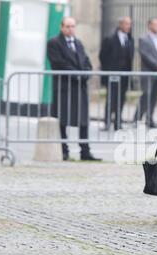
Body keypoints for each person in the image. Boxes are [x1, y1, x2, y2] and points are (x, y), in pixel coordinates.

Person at [47, 17, 101, 161]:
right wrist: (77, 74)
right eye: (68, 26)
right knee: (62, 120)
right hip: (64, 87)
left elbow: (86, 62)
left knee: (83, 121)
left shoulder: (78, 43)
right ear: (61, 27)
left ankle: (85, 151)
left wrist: (85, 74)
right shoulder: (54, 43)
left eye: (73, 26)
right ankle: (64, 150)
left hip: (79, 88)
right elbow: (58, 63)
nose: (70, 29)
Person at [99, 16, 134, 131]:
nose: (128, 26)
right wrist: (108, 71)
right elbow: (102, 56)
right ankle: (107, 121)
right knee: (111, 98)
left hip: (124, 76)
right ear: (120, 25)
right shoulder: (109, 39)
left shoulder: (130, 39)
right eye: (126, 24)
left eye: (129, 24)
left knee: (121, 99)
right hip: (112, 75)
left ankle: (118, 122)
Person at [134, 18, 157, 128]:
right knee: (146, 95)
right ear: (149, 25)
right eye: (155, 25)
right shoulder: (143, 39)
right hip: (148, 73)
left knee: (154, 96)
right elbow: (145, 55)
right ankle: (137, 117)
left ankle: (150, 118)